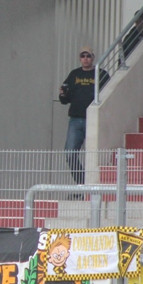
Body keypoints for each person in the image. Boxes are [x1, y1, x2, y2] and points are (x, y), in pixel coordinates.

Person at [58, 47, 108, 187]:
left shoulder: (101, 74)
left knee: (94, 155)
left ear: (93, 58)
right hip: (75, 119)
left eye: (88, 56)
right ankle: (82, 183)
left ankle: (93, 185)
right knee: (70, 153)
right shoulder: (74, 74)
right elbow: (65, 99)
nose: (85, 58)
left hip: (94, 120)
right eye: (83, 56)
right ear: (80, 58)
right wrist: (62, 94)